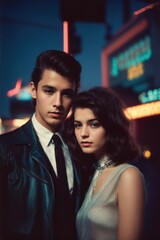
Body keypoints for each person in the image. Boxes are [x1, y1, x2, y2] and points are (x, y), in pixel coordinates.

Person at [0, 49, 82, 240]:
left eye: (67, 94)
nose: (58, 103)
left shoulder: (78, 149)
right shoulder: (5, 149)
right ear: (33, 90)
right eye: (49, 91)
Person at [65, 86, 145, 240]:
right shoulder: (92, 173)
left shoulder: (128, 176)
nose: (83, 134)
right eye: (78, 125)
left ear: (110, 126)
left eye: (94, 124)